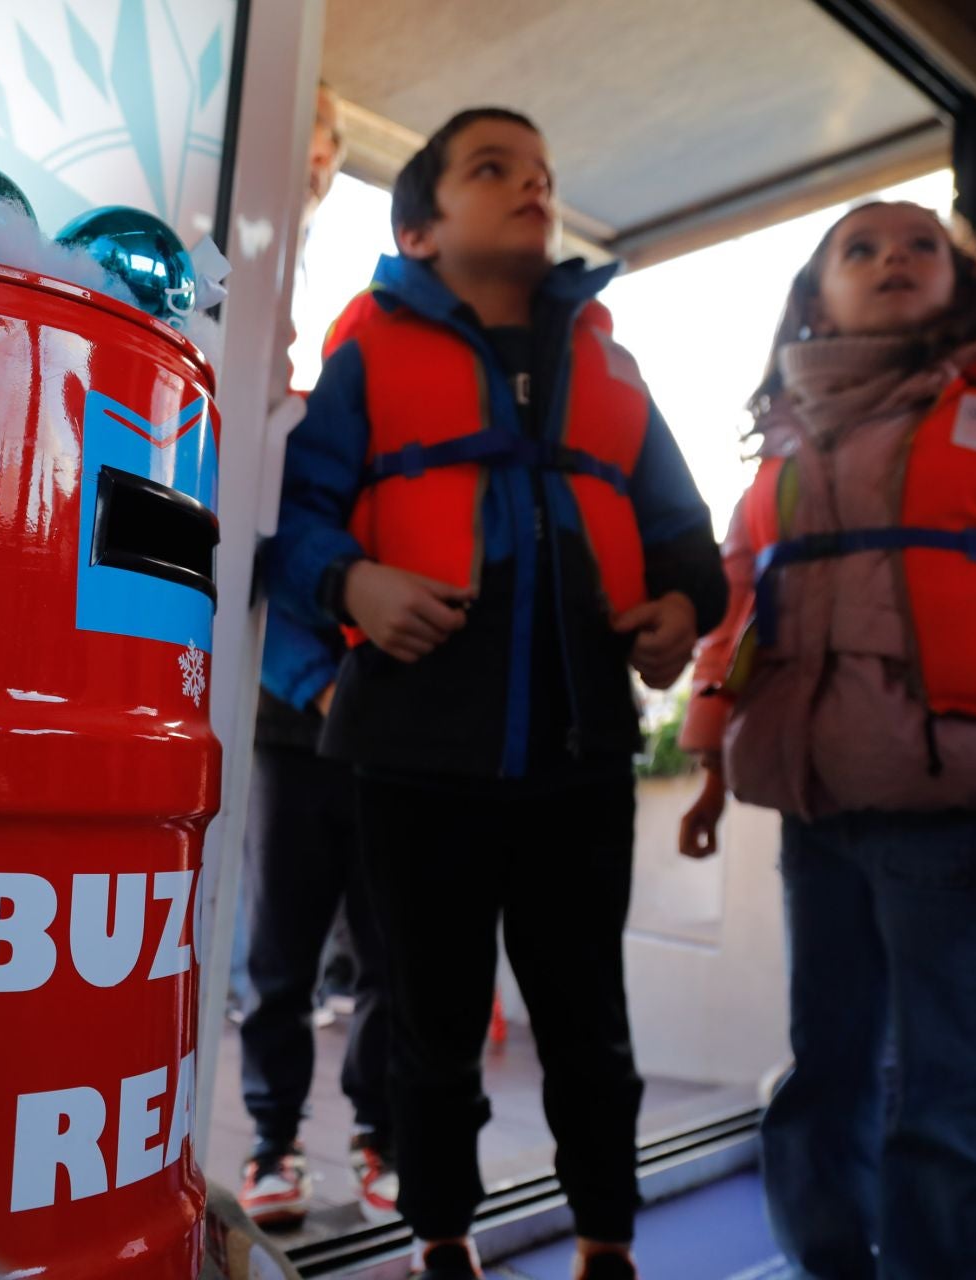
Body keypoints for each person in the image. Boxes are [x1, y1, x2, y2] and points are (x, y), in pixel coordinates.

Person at [267, 106, 727, 1280]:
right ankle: (440, 1237)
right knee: (430, 1023)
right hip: (414, 759)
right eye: (492, 169)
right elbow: (299, 528)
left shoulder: (613, 366)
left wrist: (683, 611)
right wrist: (353, 579)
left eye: (541, 169)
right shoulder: (367, 353)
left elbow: (687, 544)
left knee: (590, 1024)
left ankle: (606, 1238)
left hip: (579, 757)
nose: (532, 184)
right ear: (418, 232)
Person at [677, 199, 976, 1278]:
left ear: (965, 286)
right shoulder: (782, 461)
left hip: (951, 814)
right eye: (860, 246)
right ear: (814, 297)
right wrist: (709, 764)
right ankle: (828, 1258)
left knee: (956, 1069)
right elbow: (737, 618)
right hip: (817, 813)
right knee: (827, 1061)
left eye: (920, 244)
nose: (893, 253)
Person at [237, 80, 399, 1231]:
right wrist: (321, 678)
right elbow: (275, 565)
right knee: (280, 958)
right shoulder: (294, 420)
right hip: (301, 728)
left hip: (399, 741)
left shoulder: (443, 454)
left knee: (394, 956)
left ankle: (385, 1139)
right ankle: (271, 1144)